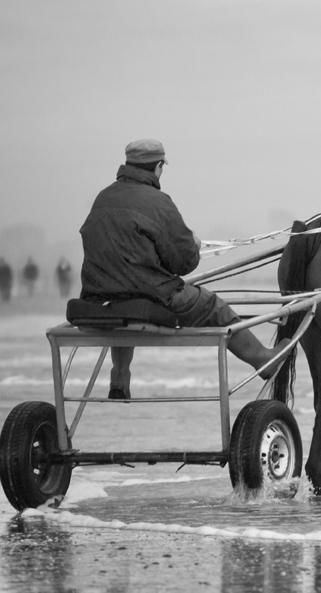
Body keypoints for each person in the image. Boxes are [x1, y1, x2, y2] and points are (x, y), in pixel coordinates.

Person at [79, 138, 282, 400]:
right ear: (158, 166)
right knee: (213, 305)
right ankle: (263, 360)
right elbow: (184, 263)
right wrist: (194, 245)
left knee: (124, 308)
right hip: (150, 296)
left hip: (97, 298)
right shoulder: (158, 202)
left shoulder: (102, 197)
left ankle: (119, 379)